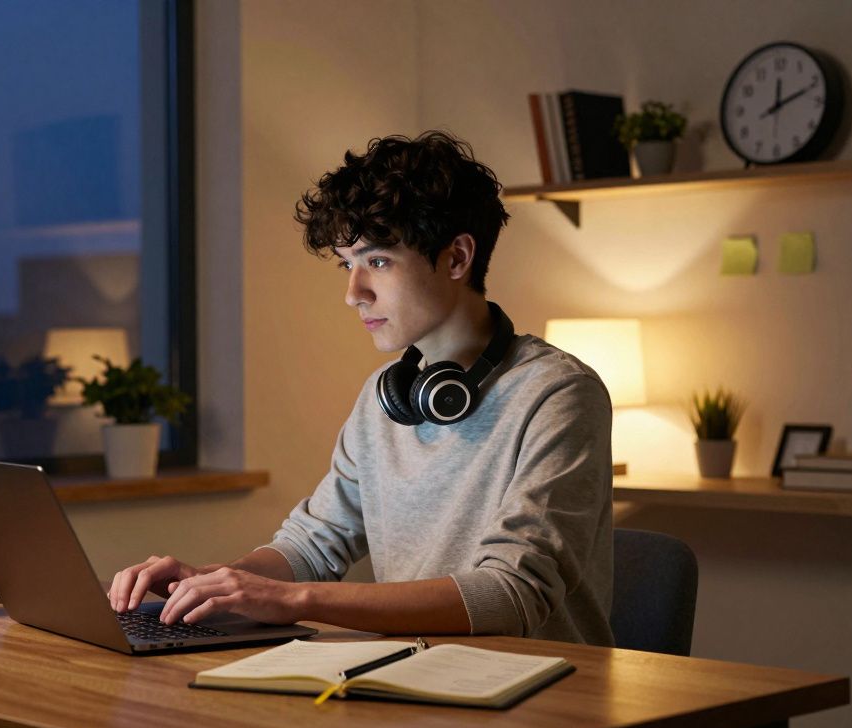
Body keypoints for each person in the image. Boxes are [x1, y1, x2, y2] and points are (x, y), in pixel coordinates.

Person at [107, 130, 614, 645]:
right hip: (414, 690)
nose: (353, 294)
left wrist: (295, 600)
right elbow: (312, 545)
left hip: (544, 701)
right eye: (348, 265)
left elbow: (510, 593)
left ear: (457, 258)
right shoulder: (384, 398)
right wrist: (216, 583)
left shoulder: (559, 395)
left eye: (377, 261)